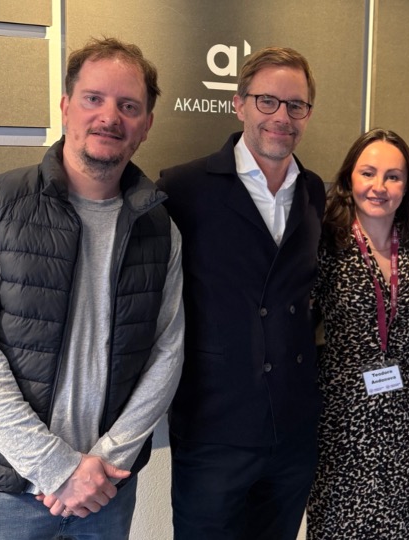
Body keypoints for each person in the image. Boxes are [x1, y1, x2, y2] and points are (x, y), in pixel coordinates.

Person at [0, 37, 183, 539]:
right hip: (6, 494)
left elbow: (167, 353)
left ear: (146, 125)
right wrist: (57, 469)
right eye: (94, 98)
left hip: (106, 493)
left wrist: (105, 464)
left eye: (128, 106)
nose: (109, 117)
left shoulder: (161, 229)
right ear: (66, 106)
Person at [158, 47, 324, 540]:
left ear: (308, 114)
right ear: (239, 104)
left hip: (292, 429)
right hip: (214, 427)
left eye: (296, 105)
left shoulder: (315, 191)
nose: (282, 117)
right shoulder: (183, 188)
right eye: (267, 101)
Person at [306, 129, 409, 539]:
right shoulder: (326, 241)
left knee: (399, 525)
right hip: (341, 413)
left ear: (407, 186)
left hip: (403, 411)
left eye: (393, 176)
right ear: (349, 179)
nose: (380, 186)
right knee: (339, 524)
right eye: (368, 173)